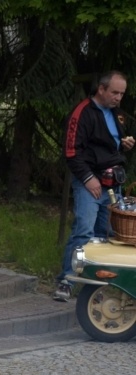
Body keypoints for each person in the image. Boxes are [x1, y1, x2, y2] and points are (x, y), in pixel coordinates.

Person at [54, 71, 135, 302]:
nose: (118, 97)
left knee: (105, 236)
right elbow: (71, 152)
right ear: (101, 89)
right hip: (89, 182)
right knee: (84, 232)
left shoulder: (117, 115)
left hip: (113, 185)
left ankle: (96, 288)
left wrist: (124, 144)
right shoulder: (82, 112)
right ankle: (66, 281)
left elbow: (109, 147)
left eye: (122, 93)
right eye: (114, 92)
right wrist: (88, 178)